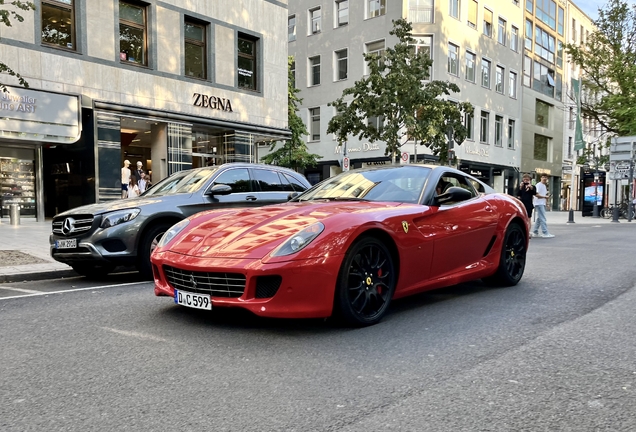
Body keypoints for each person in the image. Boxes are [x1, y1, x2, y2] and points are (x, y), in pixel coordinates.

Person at [531, 174, 555, 238]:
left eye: (546, 177)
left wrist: (546, 203)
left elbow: (544, 196)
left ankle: (535, 231)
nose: (544, 178)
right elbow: (536, 195)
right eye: (543, 177)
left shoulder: (544, 186)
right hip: (539, 203)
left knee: (539, 218)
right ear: (540, 178)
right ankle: (545, 232)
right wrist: (545, 197)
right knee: (543, 218)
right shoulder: (538, 185)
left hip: (542, 203)